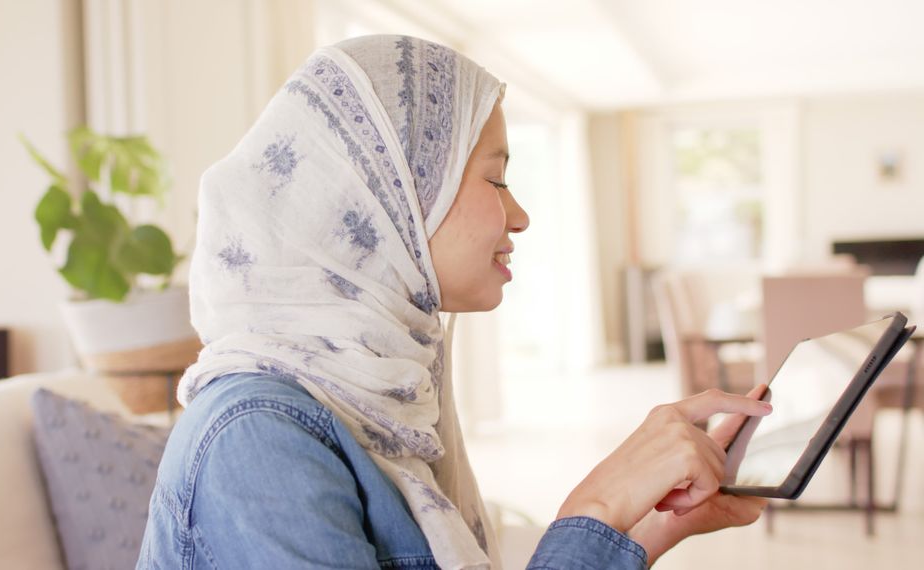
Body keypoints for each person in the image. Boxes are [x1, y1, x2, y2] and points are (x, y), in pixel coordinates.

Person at [136, 35, 772, 570]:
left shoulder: (372, 396)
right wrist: (596, 509)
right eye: (496, 177)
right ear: (390, 199)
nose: (519, 215)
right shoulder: (258, 438)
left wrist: (645, 531)